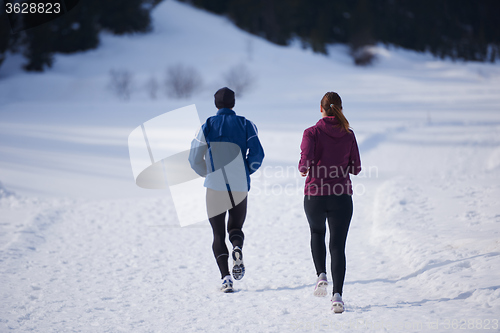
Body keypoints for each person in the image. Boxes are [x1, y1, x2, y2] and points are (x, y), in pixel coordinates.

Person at [189, 87, 264, 293]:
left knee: (217, 234)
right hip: (239, 186)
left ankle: (226, 278)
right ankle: (237, 247)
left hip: (215, 187)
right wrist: (245, 171)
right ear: (233, 103)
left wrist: (209, 172)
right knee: (235, 228)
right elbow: (257, 154)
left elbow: (193, 159)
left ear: (216, 105)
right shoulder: (246, 124)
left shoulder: (207, 125)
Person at [298, 92, 361, 313]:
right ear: (340, 109)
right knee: (338, 246)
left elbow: (304, 165)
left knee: (317, 233)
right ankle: (337, 298)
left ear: (321, 109)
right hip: (341, 196)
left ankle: (321, 275)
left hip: (315, 195)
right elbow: (356, 168)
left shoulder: (311, 133)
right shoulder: (348, 134)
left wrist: (307, 166)